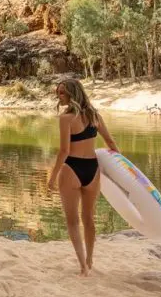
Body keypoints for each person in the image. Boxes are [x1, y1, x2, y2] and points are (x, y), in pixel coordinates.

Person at [48, 79, 119, 276]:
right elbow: (110, 142)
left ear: (72, 94)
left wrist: (52, 178)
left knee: (73, 221)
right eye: (57, 92)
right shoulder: (95, 115)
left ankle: (83, 266)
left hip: (71, 168)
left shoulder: (66, 118)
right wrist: (122, 169)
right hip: (92, 169)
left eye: (62, 93)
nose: (58, 96)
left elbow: (64, 151)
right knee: (88, 218)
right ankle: (89, 259)